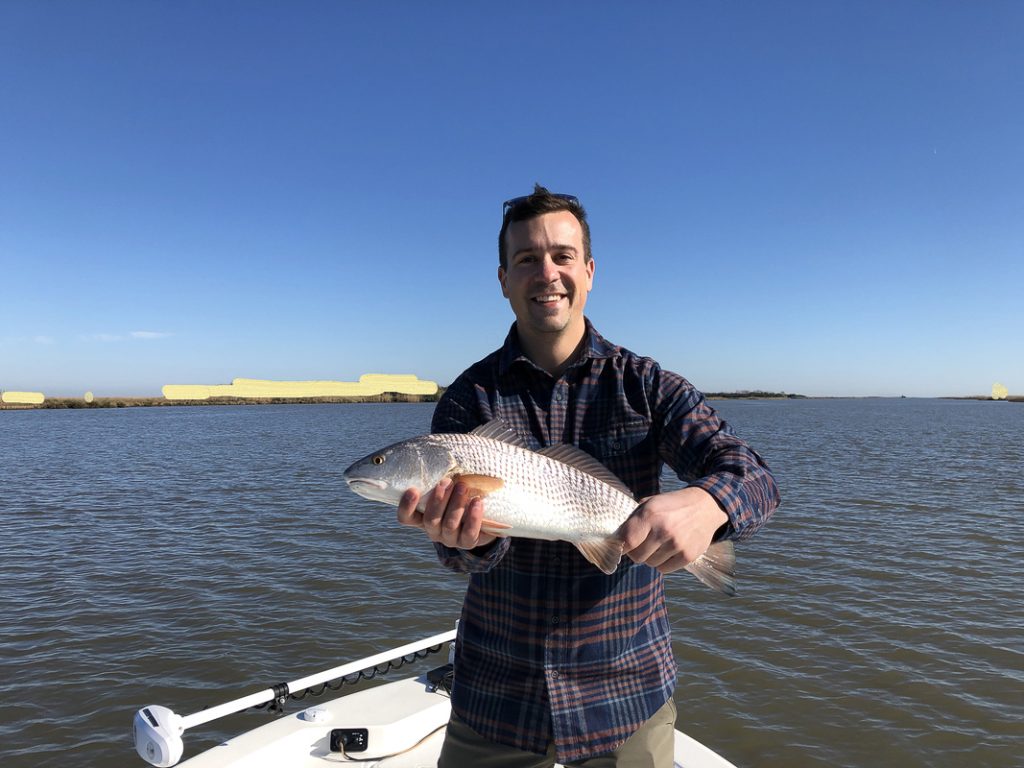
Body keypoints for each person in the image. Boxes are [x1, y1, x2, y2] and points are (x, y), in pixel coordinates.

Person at [397, 186, 779, 767]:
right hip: (498, 693)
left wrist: (705, 505)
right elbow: (459, 560)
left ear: (590, 271)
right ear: (502, 279)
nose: (545, 272)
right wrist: (464, 543)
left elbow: (752, 475)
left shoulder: (647, 385)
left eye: (562, 256)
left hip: (625, 691)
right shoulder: (468, 398)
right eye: (526, 259)